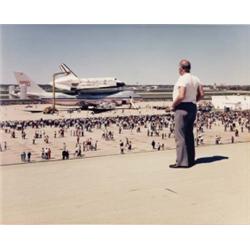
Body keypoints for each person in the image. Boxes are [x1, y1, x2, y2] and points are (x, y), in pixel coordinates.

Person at [169, 59, 204, 168]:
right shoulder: (196, 79)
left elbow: (181, 95)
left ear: (181, 68)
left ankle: (182, 162)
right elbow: (202, 94)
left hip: (182, 107)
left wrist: (173, 105)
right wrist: (193, 101)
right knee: (189, 134)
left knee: (180, 135)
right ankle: (190, 160)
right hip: (192, 106)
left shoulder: (183, 79)